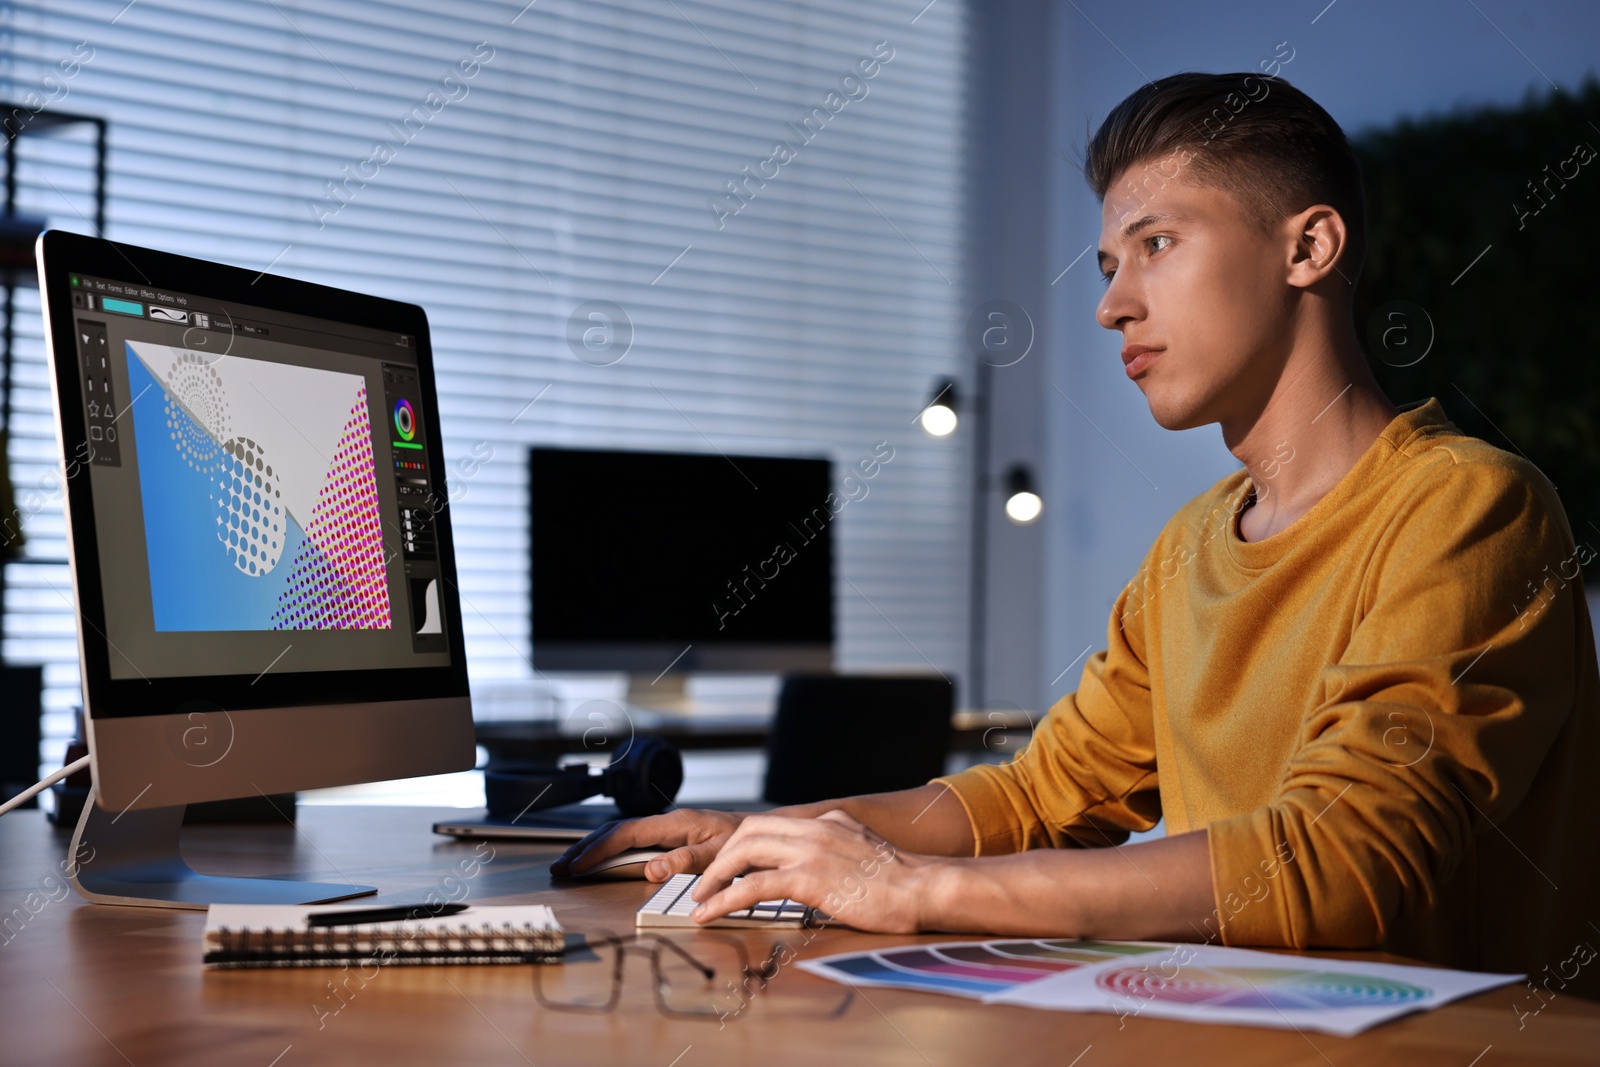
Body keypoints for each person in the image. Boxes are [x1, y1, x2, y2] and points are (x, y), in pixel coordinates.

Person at [551, 71, 1600, 998]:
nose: (1110, 305)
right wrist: (778, 836)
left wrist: (913, 889)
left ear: (1308, 246)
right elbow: (1040, 793)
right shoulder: (1190, 545)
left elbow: (1340, 862)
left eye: (1155, 244)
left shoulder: (1471, 506)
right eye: (1107, 261)